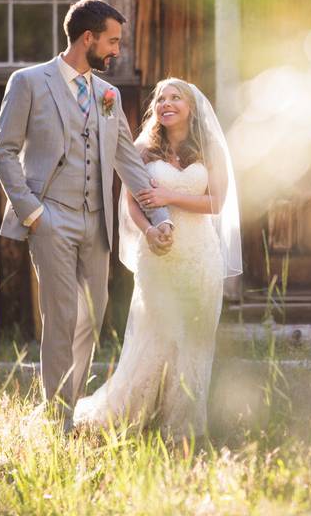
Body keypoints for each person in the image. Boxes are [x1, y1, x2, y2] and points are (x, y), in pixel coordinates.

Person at [0, 0, 174, 434]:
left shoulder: (107, 94)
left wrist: (160, 215)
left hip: (98, 224)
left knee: (92, 317)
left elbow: (129, 162)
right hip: (50, 216)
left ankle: (67, 405)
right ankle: (58, 418)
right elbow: (4, 152)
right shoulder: (29, 82)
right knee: (60, 316)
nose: (117, 50)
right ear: (88, 38)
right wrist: (33, 212)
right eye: (112, 41)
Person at [73, 78, 241, 439]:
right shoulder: (142, 149)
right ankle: (128, 418)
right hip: (158, 255)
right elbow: (132, 203)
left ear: (191, 108)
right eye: (161, 98)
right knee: (154, 336)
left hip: (199, 255)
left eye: (175, 97)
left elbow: (216, 202)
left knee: (193, 341)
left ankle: (181, 425)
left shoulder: (209, 147)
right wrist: (148, 232)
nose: (166, 103)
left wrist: (168, 195)